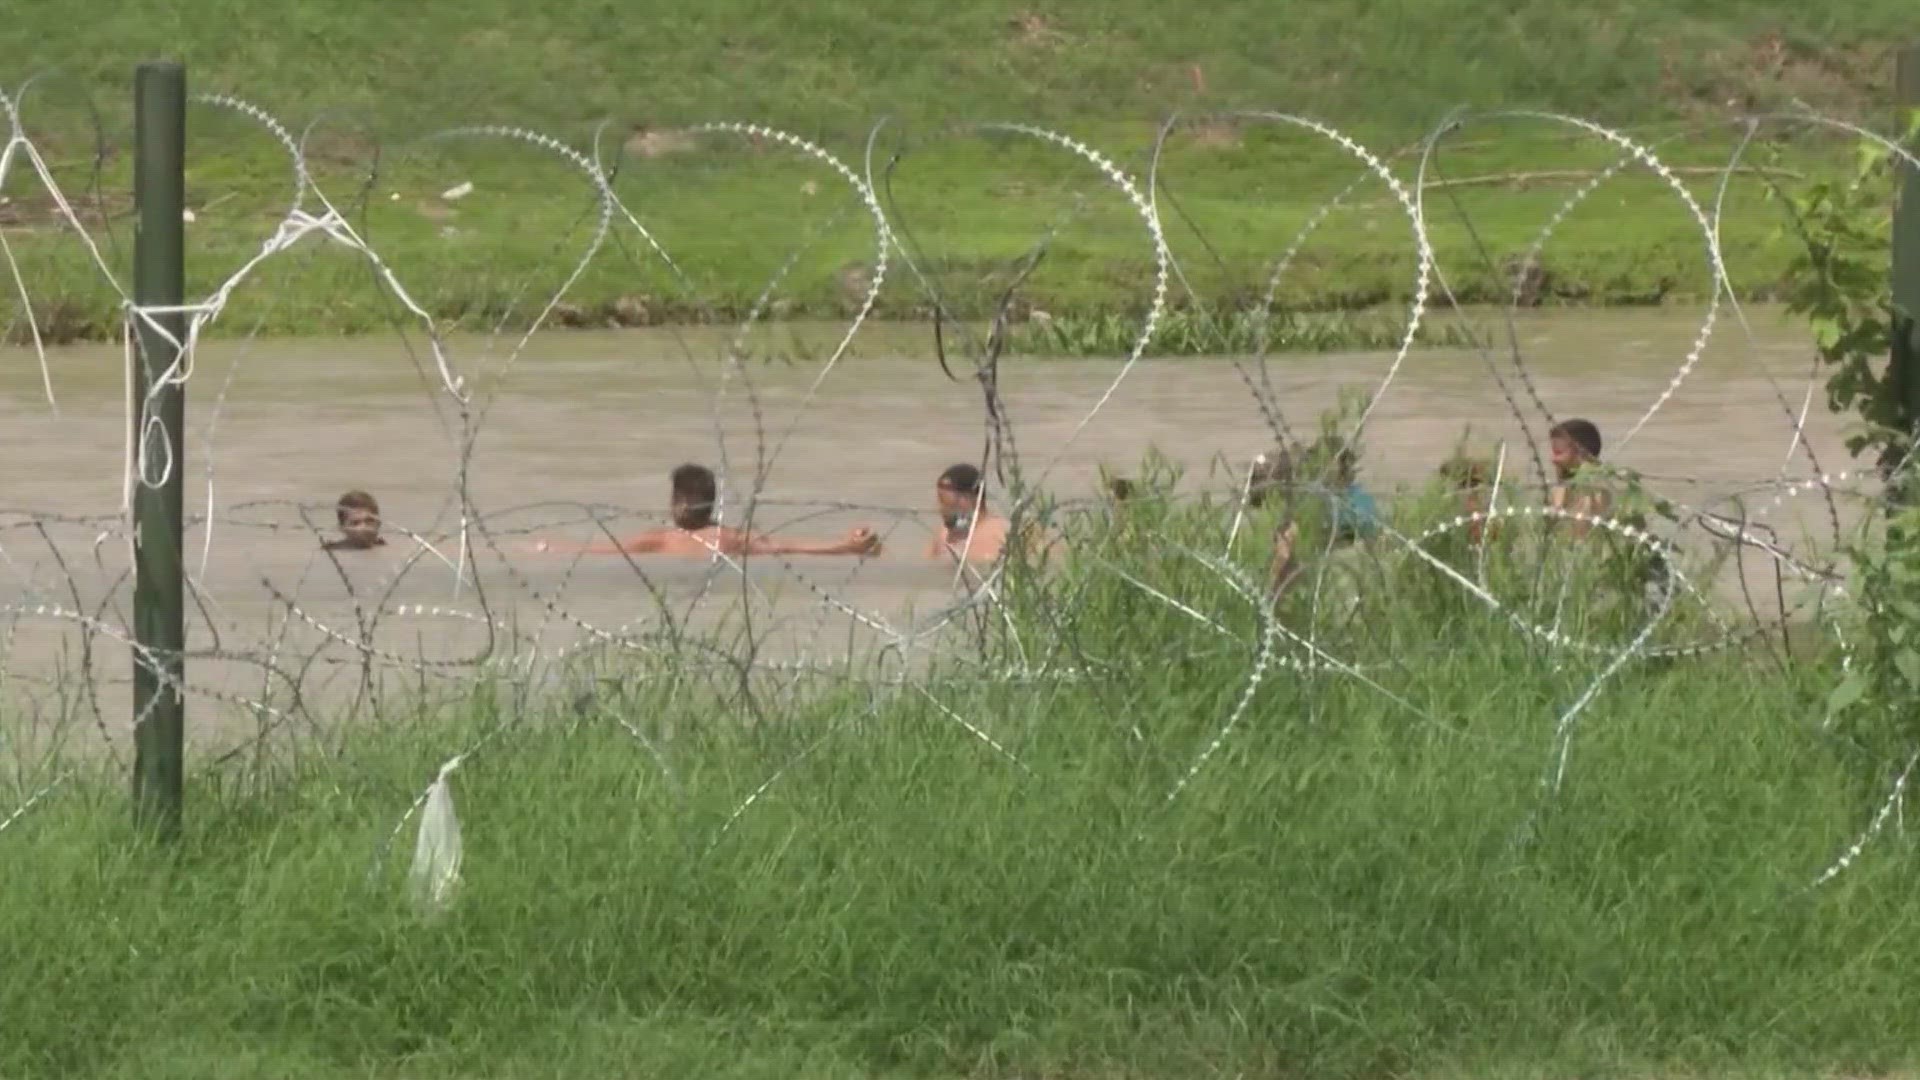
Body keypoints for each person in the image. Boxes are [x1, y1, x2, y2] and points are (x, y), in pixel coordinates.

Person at [532, 463, 880, 558]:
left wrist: (550, 547)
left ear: (676, 503)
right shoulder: (730, 538)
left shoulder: (663, 540)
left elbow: (604, 550)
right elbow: (789, 546)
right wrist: (846, 546)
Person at [927, 462, 1015, 563]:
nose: (940, 509)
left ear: (970, 499)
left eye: (948, 504)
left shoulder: (1001, 533)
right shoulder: (944, 532)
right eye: (940, 502)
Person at [1547, 418, 1609, 537]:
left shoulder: (1593, 488)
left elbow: (1581, 534)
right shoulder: (1563, 486)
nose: (1553, 460)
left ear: (1580, 451)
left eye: (1558, 453)